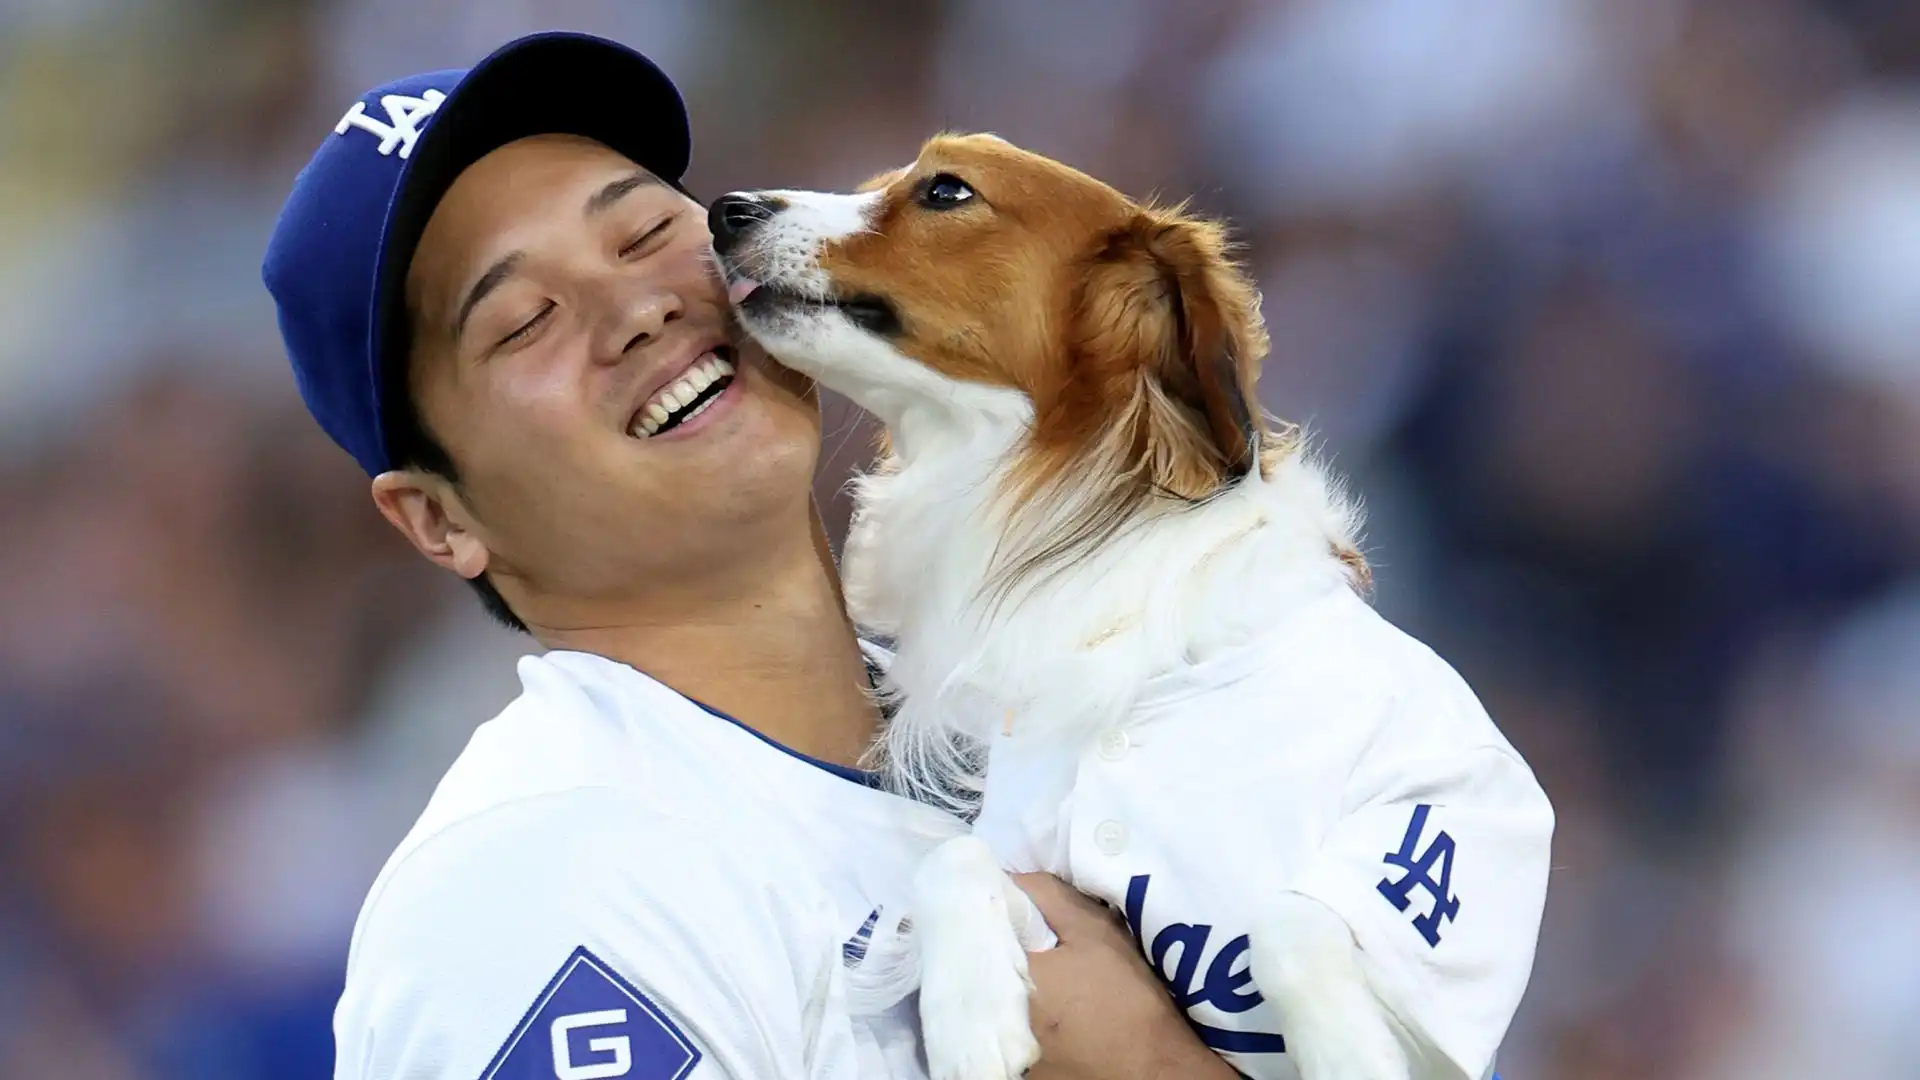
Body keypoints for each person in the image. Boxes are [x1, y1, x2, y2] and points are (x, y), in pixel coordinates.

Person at [263, 30, 1233, 1080]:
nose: (638, 309)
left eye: (641, 235)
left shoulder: (1052, 698)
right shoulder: (546, 886)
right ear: (438, 519)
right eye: (526, 319)